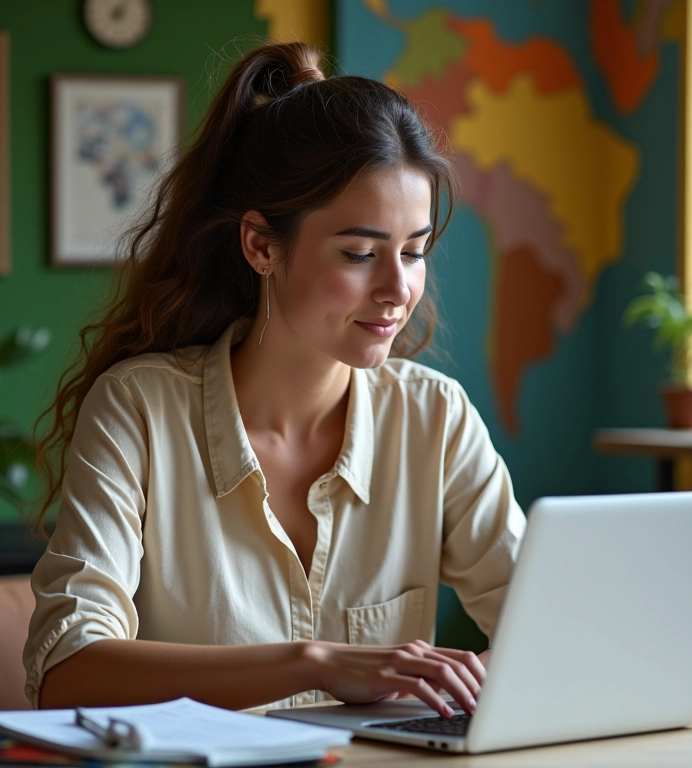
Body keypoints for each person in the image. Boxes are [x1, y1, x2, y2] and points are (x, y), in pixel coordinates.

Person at [24, 41, 526, 716]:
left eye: (414, 252)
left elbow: (550, 623)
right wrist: (313, 664)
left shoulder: (436, 416)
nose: (398, 289)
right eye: (360, 253)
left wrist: (476, 680)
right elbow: (68, 671)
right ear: (261, 244)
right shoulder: (139, 408)